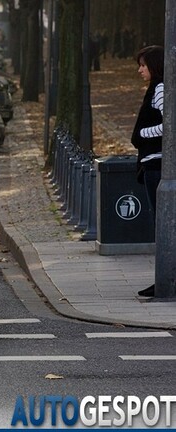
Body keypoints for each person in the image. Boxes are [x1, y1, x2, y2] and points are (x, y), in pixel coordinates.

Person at [131, 45, 164, 297]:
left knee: (161, 226)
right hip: (153, 162)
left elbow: (169, 123)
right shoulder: (157, 88)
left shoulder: (161, 89)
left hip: (157, 163)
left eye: (143, 65)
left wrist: (142, 133)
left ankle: (164, 279)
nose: (140, 70)